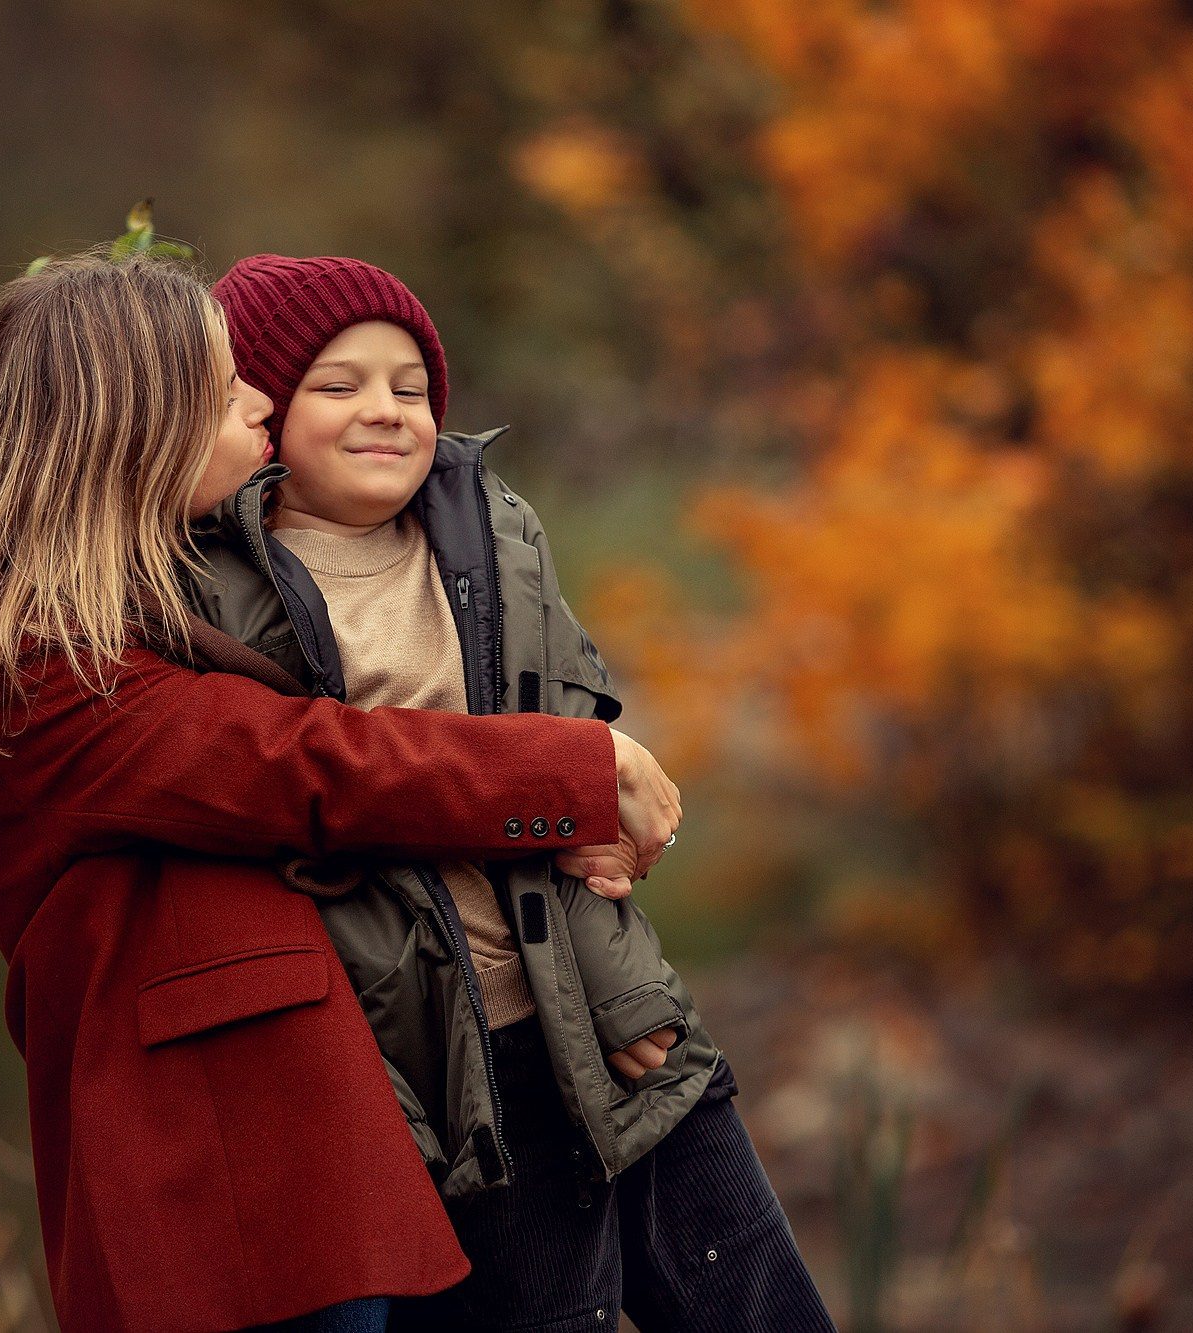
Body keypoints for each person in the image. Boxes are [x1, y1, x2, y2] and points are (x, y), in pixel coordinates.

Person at [0, 252, 686, 1333]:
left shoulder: (140, 596)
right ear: (131, 424)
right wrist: (581, 767)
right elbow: (304, 763)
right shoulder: (29, 659)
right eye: (221, 385)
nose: (257, 396)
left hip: (305, 1144)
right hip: (213, 1174)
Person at [192, 254, 839, 1331]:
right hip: (447, 1069)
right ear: (260, 412)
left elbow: (577, 747)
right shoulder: (215, 593)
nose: (385, 411)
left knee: (756, 1301)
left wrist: (618, 978)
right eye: (338, 384)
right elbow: (307, 817)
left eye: (409, 386)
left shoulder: (489, 530)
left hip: (601, 1007)